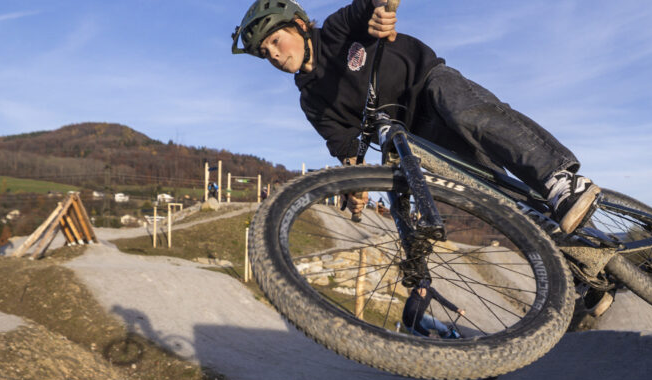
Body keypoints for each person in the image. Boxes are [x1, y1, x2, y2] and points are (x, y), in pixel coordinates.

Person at [231, 0, 601, 234]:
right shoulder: (312, 102)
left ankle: (561, 180)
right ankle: (573, 263)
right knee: (490, 192)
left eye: (276, 41)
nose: (275, 55)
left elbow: (374, 5)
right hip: (417, 139)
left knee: (468, 112)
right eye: (265, 53)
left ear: (298, 26)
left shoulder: (337, 30)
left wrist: (382, 12)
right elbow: (348, 150)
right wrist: (355, 187)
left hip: (427, 84)